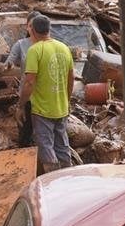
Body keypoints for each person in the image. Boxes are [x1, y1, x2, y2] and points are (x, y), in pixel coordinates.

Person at [19, 15, 75, 174]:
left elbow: (29, 83)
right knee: (62, 145)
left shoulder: (35, 50)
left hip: (42, 109)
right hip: (61, 107)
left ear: (33, 31)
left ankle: (53, 179)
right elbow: (71, 78)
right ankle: (67, 178)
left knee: (46, 146)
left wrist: (21, 105)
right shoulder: (64, 47)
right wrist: (66, 99)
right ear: (49, 29)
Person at [6, 11, 42, 146]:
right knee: (26, 132)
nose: (33, 28)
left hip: (44, 95)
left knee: (43, 133)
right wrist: (8, 65)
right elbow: (10, 61)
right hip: (27, 94)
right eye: (30, 25)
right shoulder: (21, 44)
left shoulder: (49, 45)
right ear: (27, 27)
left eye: (36, 25)